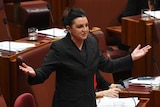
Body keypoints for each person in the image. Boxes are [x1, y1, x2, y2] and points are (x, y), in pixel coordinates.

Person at [19, 7, 151, 107]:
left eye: (86, 25)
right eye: (80, 26)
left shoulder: (92, 42)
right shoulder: (60, 48)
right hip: (67, 104)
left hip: (88, 102)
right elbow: (44, 72)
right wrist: (34, 73)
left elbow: (107, 65)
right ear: (69, 28)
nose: (85, 30)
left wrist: (131, 57)